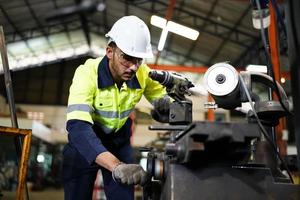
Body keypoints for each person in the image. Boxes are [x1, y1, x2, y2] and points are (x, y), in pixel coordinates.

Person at [62, 15, 169, 200]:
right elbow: (78, 128)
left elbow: (163, 98)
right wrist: (116, 166)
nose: (134, 67)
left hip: (119, 141)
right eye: (127, 58)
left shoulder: (142, 72)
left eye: (139, 60)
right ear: (109, 52)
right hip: (86, 139)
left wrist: (165, 107)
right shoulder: (87, 74)